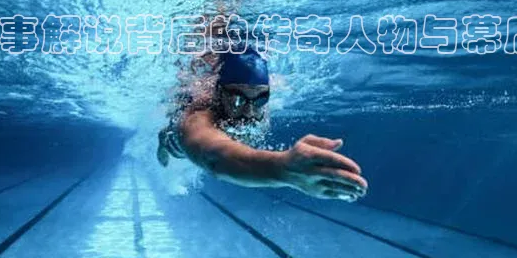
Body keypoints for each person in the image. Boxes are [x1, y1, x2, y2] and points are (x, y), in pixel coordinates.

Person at [157, 42, 368, 202]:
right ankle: (163, 145)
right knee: (172, 144)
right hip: (178, 141)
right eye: (238, 99)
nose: (249, 110)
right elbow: (212, 156)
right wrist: (281, 169)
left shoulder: (259, 109)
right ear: (219, 94)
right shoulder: (200, 114)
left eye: (260, 98)